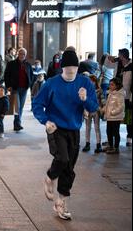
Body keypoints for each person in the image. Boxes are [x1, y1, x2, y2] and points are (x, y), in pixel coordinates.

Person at [33, 48, 98, 220]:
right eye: (67, 70)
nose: (71, 73)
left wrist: (85, 100)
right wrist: (45, 121)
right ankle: (50, 177)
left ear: (78, 69)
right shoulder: (52, 84)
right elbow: (37, 104)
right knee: (62, 159)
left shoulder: (85, 82)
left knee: (69, 168)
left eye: (74, 70)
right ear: (62, 68)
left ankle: (61, 202)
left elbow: (94, 107)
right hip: (56, 128)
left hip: (74, 129)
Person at [4, 48, 34, 131]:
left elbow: (31, 75)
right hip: (15, 88)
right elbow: (6, 75)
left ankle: (17, 123)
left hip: (24, 88)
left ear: (25, 55)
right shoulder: (11, 64)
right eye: (20, 53)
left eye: (23, 54)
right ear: (18, 54)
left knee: (21, 107)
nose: (22, 55)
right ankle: (17, 123)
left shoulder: (28, 65)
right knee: (17, 106)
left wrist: (29, 84)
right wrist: (8, 86)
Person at [102, 78, 125, 154]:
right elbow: (108, 104)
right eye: (110, 84)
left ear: (117, 85)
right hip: (110, 117)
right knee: (109, 132)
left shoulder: (120, 94)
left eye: (112, 84)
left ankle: (116, 148)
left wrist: (113, 112)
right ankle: (111, 146)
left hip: (115, 117)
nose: (110, 86)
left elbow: (121, 107)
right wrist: (104, 109)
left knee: (115, 132)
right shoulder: (111, 93)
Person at [82, 74, 105, 154]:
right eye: (90, 81)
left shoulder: (99, 90)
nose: (91, 83)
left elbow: (102, 99)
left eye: (93, 81)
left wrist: (103, 107)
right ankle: (87, 143)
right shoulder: (85, 90)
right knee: (87, 128)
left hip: (96, 111)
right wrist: (84, 110)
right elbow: (83, 101)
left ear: (95, 82)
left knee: (97, 128)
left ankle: (98, 145)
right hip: (88, 111)